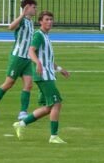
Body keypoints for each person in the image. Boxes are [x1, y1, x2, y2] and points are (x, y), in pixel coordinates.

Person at [12, 11, 70, 144]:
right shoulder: (38, 35)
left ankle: (21, 124)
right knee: (57, 103)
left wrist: (60, 69)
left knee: (48, 108)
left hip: (48, 74)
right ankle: (53, 136)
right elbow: (31, 50)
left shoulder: (46, 36)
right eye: (47, 19)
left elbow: (48, 59)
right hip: (43, 76)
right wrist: (37, 62)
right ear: (40, 21)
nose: (49, 22)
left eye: (51, 19)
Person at [0, 0, 38, 122]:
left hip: (26, 59)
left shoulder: (30, 22)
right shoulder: (23, 20)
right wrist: (21, 15)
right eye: (34, 7)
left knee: (29, 85)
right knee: (8, 83)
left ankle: (23, 112)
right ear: (27, 7)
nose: (36, 10)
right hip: (17, 57)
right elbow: (10, 27)